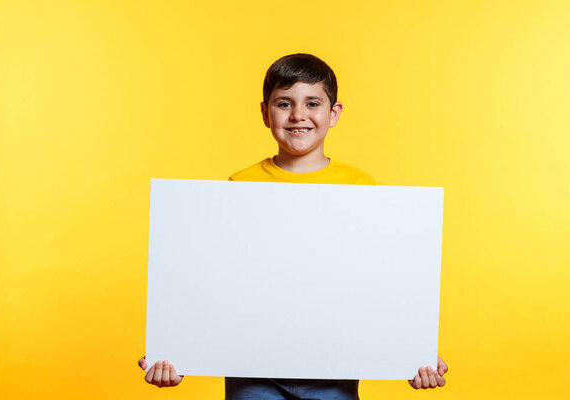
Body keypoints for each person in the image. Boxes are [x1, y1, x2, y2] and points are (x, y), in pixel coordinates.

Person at [138, 53, 449, 398]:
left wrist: (412, 352)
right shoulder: (239, 184)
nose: (298, 115)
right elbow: (214, 277)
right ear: (265, 113)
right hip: (252, 368)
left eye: (312, 103)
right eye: (284, 103)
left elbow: (380, 279)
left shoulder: (360, 187)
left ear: (333, 114)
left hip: (334, 367)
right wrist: (176, 350)